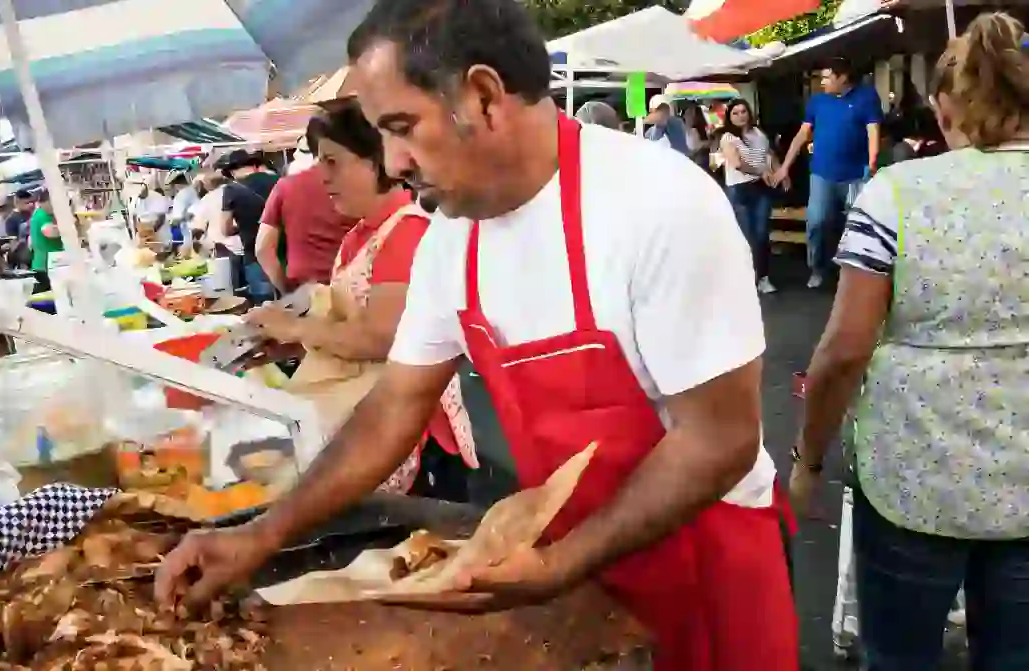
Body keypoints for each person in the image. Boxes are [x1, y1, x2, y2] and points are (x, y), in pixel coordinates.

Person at [154, 2, 796, 670]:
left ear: (485, 96)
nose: (395, 161)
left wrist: (560, 563)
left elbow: (718, 439)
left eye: (402, 128)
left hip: (706, 558)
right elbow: (394, 407)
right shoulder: (451, 240)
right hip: (570, 556)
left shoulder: (658, 204)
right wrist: (262, 535)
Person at [791, 13, 1029, 670]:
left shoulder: (896, 193)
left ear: (949, 105)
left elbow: (843, 350)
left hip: (913, 479)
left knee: (899, 656)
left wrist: (808, 457)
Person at [245, 100, 477, 499]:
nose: (323, 177)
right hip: (375, 422)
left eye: (333, 162)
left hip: (415, 438)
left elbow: (380, 338)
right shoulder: (360, 235)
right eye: (320, 163)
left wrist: (296, 326)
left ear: (376, 161)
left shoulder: (404, 233)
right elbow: (348, 327)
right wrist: (280, 343)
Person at [772, 57, 883, 288]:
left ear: (842, 77)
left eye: (826, 77)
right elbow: (802, 135)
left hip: (856, 175)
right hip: (822, 174)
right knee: (817, 222)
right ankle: (817, 268)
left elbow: (873, 130)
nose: (822, 81)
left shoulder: (867, 97)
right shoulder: (818, 102)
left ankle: (853, 274)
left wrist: (872, 161)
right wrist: (784, 167)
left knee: (855, 225)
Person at [257, 117, 361, 292]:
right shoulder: (360, 186)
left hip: (303, 290)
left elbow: (262, 249)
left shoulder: (286, 186)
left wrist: (285, 290)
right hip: (352, 289)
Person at [719, 99, 788, 296]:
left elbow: (769, 154)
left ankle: (763, 277)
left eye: (743, 111)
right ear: (729, 117)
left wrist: (781, 172)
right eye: (735, 113)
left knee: (761, 234)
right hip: (739, 189)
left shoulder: (759, 134)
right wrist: (761, 171)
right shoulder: (728, 138)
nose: (740, 116)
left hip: (760, 188)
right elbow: (736, 163)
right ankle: (745, 277)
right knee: (746, 236)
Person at [219, 150, 279, 302]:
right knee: (292, 306)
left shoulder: (232, 189)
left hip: (254, 255)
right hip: (284, 253)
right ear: (254, 165)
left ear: (232, 172)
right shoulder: (278, 180)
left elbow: (224, 229)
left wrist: (240, 228)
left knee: (265, 307)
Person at [28, 191, 64, 273]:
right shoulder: (43, 215)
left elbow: (30, 242)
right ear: (48, 201)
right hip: (47, 265)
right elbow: (49, 232)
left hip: (41, 263)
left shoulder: (37, 213)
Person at [166, 171, 199, 253]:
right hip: (197, 232)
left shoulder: (181, 196)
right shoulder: (193, 191)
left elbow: (177, 219)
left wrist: (169, 222)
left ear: (176, 184)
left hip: (186, 234)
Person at [681, 104, 711, 170]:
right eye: (686, 114)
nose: (685, 116)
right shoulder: (687, 129)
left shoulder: (696, 130)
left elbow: (695, 146)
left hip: (700, 159)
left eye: (688, 114)